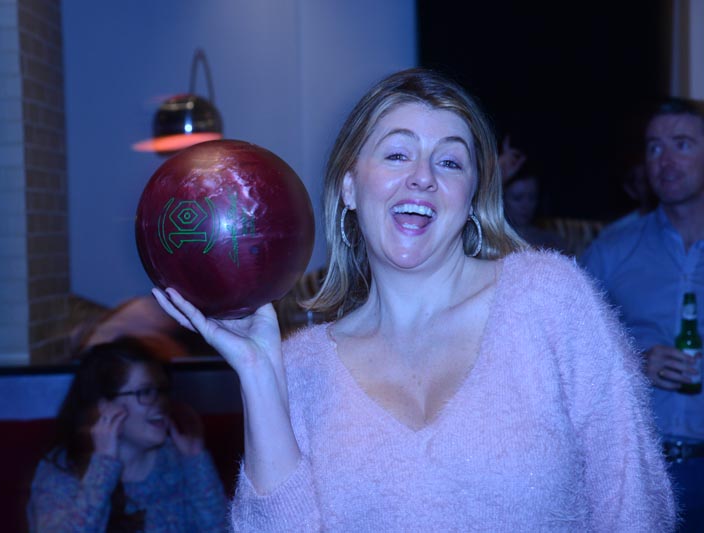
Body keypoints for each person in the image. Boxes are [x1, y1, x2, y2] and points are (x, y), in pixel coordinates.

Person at [153, 68, 675, 531]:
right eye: (397, 154)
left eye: (449, 161)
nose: (422, 177)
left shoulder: (548, 299)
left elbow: (632, 504)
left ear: (471, 197)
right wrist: (257, 374)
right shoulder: (302, 367)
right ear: (350, 187)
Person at [581, 97, 704, 532]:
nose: (665, 160)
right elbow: (567, 354)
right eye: (654, 147)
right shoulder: (612, 251)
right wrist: (634, 361)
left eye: (682, 144)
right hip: (639, 472)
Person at [27, 337, 227, 532]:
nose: (160, 403)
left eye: (162, 390)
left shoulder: (178, 459)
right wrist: (103, 467)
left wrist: (196, 463)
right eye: (145, 392)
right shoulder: (63, 468)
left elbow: (222, 529)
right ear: (105, 406)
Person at [502, 169, 566, 251]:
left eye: (532, 197)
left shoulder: (552, 240)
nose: (526, 205)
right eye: (517, 198)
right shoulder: (494, 239)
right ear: (502, 199)